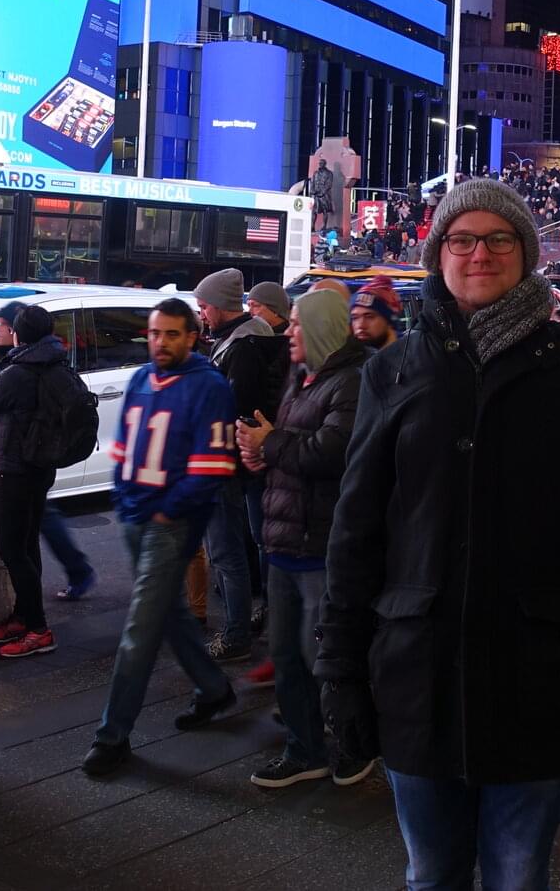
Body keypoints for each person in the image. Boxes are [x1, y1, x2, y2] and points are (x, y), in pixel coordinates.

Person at [318, 180, 560, 888]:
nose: (481, 253)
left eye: (500, 238)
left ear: (526, 253)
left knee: (516, 873)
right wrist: (340, 670)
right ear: (439, 251)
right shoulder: (393, 368)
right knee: (432, 871)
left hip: (538, 672)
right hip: (417, 671)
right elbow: (356, 530)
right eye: (462, 238)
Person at [84, 300, 241, 777]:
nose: (161, 342)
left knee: (140, 631)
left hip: (169, 525)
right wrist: (124, 494)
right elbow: (126, 444)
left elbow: (214, 464)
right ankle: (213, 689)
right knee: (167, 614)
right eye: (155, 333)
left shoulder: (210, 388)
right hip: (135, 515)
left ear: (192, 336)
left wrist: (167, 511)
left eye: (172, 334)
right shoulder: (138, 380)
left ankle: (112, 737)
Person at [236, 289, 371, 788]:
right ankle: (305, 748)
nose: (288, 332)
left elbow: (327, 453)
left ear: (318, 328)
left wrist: (269, 444)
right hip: (282, 541)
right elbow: (290, 446)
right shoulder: (302, 377)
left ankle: (355, 744)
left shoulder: (353, 382)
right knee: (288, 656)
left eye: (295, 324)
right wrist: (259, 451)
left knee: (326, 659)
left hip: (321, 546)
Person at [0, 304, 96, 659]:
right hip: (40, 467)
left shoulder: (20, 371)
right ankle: (24, 616)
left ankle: (38, 629)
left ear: (19, 334)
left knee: (11, 548)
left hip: (16, 469)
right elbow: (14, 400)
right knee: (27, 543)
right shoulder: (50, 363)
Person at [192, 268, 288, 664]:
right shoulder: (241, 341)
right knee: (254, 542)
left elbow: (236, 409)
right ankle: (263, 616)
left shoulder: (242, 348)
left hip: (230, 463)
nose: (201, 314)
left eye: (202, 306)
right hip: (243, 462)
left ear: (216, 307)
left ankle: (237, 633)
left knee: (228, 553)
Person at [349, 276, 401, 351]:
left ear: (389, 320)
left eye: (369, 317)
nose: (360, 325)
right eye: (355, 318)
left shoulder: (413, 356)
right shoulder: (349, 359)